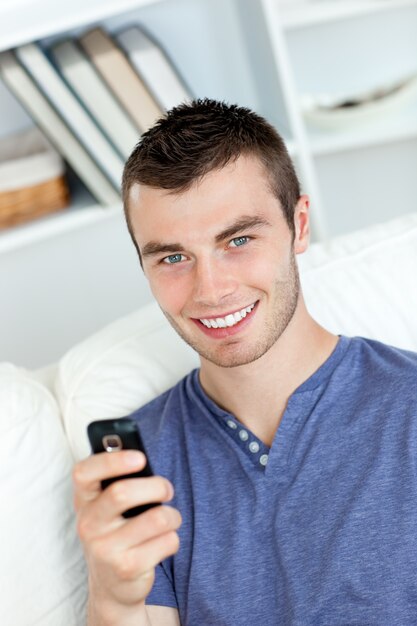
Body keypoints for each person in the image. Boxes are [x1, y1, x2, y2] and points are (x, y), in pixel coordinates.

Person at [73, 99, 417, 626]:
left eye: (238, 239)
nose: (210, 290)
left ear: (299, 226)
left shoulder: (407, 405)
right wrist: (113, 598)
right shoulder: (141, 462)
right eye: (172, 257)